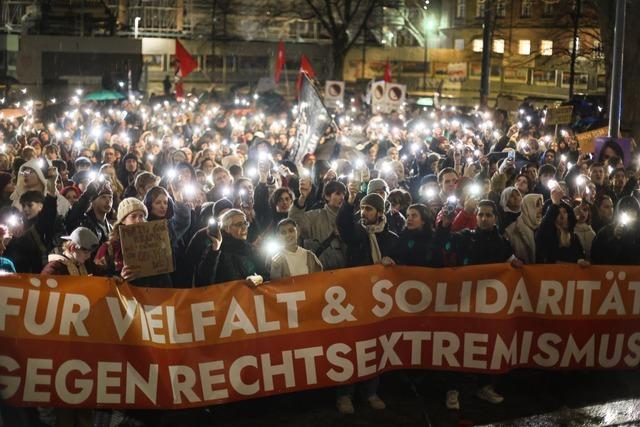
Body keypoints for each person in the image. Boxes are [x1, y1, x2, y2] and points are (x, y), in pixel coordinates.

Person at [334, 191, 397, 414]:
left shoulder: (390, 238)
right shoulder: (356, 231)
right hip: (354, 297)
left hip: (378, 301)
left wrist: (392, 263)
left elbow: (400, 268)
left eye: (368, 208)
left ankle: (371, 392)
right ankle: (345, 395)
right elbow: (342, 225)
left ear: (379, 213)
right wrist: (349, 201)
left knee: (375, 346)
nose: (364, 212)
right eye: (362, 208)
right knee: (351, 345)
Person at [94, 197, 172, 287]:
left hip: (152, 297)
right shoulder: (109, 248)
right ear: (123, 220)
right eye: (133, 216)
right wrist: (120, 278)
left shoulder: (155, 244)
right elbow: (98, 280)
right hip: (124, 298)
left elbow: (164, 277)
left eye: (141, 216)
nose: (139, 220)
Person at [196, 209, 267, 286]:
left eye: (245, 223)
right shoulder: (216, 249)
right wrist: (215, 248)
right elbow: (203, 279)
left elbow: (266, 274)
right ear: (227, 228)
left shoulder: (251, 249)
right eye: (239, 224)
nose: (244, 228)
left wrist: (259, 278)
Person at [289, 179, 348, 271]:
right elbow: (295, 220)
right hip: (319, 272)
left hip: (343, 272)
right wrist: (302, 198)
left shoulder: (347, 219)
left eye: (344, 194)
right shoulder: (315, 216)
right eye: (338, 193)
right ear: (327, 197)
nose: (342, 197)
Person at [535, 186, 587, 265]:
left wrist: (581, 261)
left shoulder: (573, 237)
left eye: (564, 212)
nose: (562, 216)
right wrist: (555, 204)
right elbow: (544, 230)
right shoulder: (548, 235)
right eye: (558, 213)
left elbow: (579, 256)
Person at [591, 196, 640, 265]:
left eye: (633, 210)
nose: (629, 213)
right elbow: (596, 256)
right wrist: (614, 238)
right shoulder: (605, 231)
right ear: (618, 211)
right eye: (625, 210)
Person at [64, 180, 113, 247]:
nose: (108, 201)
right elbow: (73, 215)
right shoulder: (83, 222)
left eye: (110, 197)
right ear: (92, 201)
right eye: (103, 197)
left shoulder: (111, 228)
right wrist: (88, 194)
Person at [504, 194, 543, 264]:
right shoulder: (512, 230)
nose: (541, 208)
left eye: (541, 205)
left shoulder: (543, 228)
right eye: (537, 205)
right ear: (528, 207)